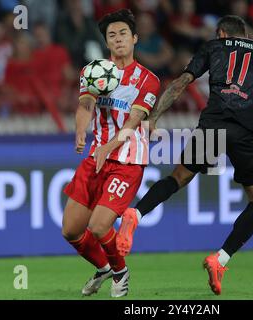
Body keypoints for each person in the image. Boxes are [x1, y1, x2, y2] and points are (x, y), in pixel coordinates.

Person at [116, 15, 253, 295]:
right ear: (245, 34)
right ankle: (220, 259)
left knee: (178, 178)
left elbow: (181, 83)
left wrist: (153, 117)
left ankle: (136, 212)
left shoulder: (213, 47)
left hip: (213, 127)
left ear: (221, 33)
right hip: (244, 134)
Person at [61, 9, 160, 298]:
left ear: (135, 38)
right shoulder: (94, 71)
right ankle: (105, 267)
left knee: (99, 224)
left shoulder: (147, 79)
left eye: (123, 34)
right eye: (112, 35)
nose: (118, 40)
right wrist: (81, 130)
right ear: (106, 42)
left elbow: (133, 122)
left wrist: (107, 147)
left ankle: (121, 273)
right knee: (71, 231)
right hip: (96, 158)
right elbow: (85, 107)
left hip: (127, 160)